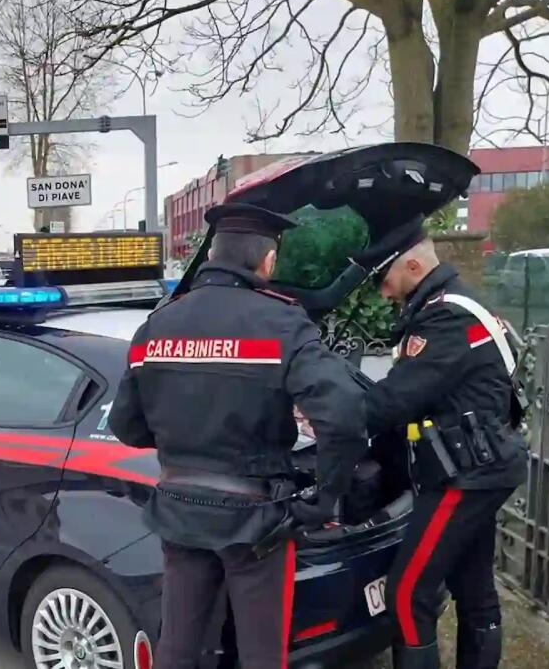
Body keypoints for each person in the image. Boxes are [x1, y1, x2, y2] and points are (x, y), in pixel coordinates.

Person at [108, 203, 368, 669]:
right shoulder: (283, 323)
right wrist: (325, 498)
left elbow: (126, 427)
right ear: (267, 261)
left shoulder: (158, 324)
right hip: (256, 519)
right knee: (261, 654)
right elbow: (344, 417)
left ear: (213, 252)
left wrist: (182, 437)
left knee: (178, 647)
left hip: (179, 509)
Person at [358, 218, 527, 669]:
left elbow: (393, 400)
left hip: (466, 474)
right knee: (473, 588)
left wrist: (327, 416)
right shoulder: (457, 304)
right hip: (483, 464)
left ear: (412, 264)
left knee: (407, 593)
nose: (384, 292)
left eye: (385, 279)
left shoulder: (445, 315)